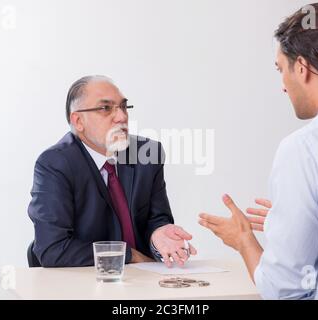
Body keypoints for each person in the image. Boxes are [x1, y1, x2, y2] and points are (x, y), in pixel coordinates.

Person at [199, 2, 318, 299]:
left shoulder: (306, 147)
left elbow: (285, 289)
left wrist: (244, 240)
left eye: (280, 69)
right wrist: (315, 218)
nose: (283, 85)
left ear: (302, 67)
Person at [28, 75, 196, 268]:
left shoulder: (148, 154)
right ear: (78, 121)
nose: (122, 117)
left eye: (123, 107)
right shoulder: (55, 164)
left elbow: (156, 219)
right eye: (105, 108)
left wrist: (158, 234)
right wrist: (128, 255)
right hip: (81, 282)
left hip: (141, 281)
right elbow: (53, 249)